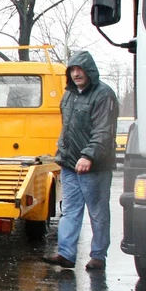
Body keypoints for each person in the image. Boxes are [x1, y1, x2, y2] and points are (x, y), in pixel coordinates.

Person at [42, 50, 119, 271]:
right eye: (72, 70)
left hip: (94, 166)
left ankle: (98, 256)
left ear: (89, 71)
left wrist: (88, 156)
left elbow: (103, 131)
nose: (76, 74)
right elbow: (67, 128)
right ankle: (66, 254)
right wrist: (62, 151)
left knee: (97, 212)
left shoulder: (104, 95)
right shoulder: (69, 94)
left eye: (80, 69)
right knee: (70, 210)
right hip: (69, 165)